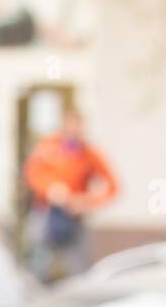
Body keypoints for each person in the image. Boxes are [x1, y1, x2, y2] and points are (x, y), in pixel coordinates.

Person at [23, 108, 119, 281]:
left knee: (79, 268)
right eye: (70, 128)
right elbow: (33, 174)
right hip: (46, 214)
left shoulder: (89, 154)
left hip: (73, 219)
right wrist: (51, 190)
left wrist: (86, 201)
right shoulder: (47, 147)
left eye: (78, 129)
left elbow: (112, 186)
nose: (74, 133)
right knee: (38, 264)